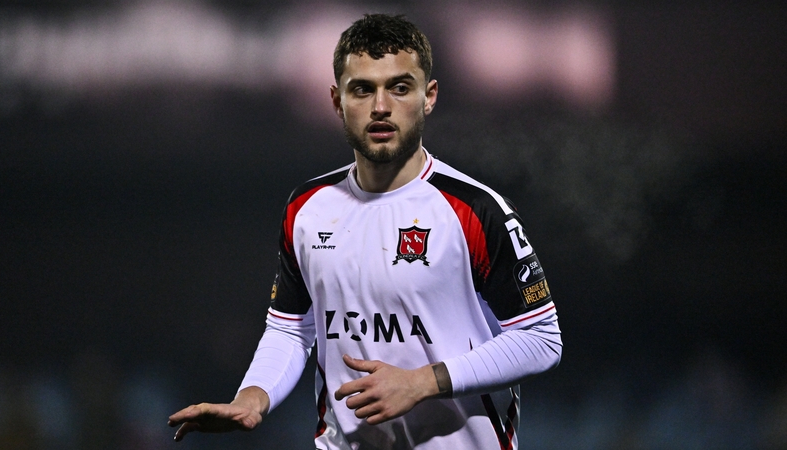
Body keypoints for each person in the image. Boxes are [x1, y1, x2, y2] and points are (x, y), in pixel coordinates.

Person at [168, 13, 562, 450]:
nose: (380, 106)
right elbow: (291, 330)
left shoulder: (475, 210)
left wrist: (423, 382)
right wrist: (253, 398)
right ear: (337, 101)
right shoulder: (307, 208)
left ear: (428, 96)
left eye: (399, 87)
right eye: (362, 89)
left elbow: (540, 339)